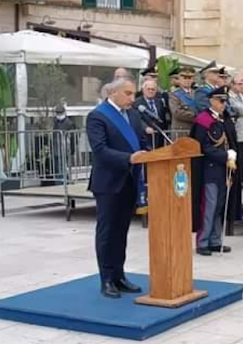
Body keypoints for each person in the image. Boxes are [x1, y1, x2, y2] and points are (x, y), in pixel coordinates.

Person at [86, 78, 148, 298]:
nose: (133, 98)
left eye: (133, 94)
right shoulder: (98, 116)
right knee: (107, 232)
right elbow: (100, 150)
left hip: (130, 180)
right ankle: (106, 279)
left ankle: (119, 276)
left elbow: (141, 141)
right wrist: (129, 158)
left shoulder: (132, 114)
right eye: (128, 94)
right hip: (109, 182)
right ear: (113, 93)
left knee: (121, 231)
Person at [189, 86, 236, 256]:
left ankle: (215, 240)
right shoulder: (203, 120)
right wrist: (225, 156)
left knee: (219, 206)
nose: (224, 104)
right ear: (212, 101)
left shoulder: (221, 119)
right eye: (221, 101)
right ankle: (203, 241)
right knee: (209, 206)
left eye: (225, 101)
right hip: (209, 168)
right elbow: (202, 146)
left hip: (222, 168)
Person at [133, 79, 169, 149]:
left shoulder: (160, 102)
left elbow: (163, 118)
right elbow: (136, 118)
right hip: (145, 136)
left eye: (153, 89)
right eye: (148, 89)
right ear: (143, 90)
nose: (150, 91)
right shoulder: (136, 103)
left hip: (159, 136)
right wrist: (145, 127)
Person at [52, 105, 78, 184]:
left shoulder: (69, 123)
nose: (58, 115)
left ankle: (62, 183)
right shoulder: (55, 122)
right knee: (58, 167)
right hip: (56, 148)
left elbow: (73, 137)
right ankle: (63, 182)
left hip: (65, 148)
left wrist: (72, 149)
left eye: (60, 113)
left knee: (62, 167)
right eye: (57, 113)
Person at [169, 67, 198, 132]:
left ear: (193, 79)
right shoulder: (174, 95)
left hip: (195, 130)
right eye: (184, 78)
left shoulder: (197, 93)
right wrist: (196, 116)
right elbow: (177, 112)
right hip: (181, 130)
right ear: (179, 79)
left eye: (190, 78)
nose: (187, 80)